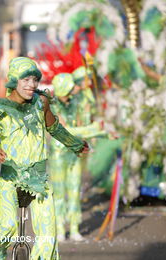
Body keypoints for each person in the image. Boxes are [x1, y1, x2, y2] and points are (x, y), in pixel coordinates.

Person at [0, 57, 89, 260]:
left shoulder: (41, 102)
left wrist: (75, 144)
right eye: (25, 80)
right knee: (8, 228)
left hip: (39, 181)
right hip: (10, 179)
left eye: (35, 80)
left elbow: (54, 128)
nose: (32, 85)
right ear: (13, 80)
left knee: (48, 239)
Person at [49, 73, 106, 242]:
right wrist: (96, 130)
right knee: (59, 193)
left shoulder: (76, 103)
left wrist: (100, 131)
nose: (72, 92)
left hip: (74, 153)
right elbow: (65, 131)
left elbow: (82, 124)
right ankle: (60, 228)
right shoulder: (52, 107)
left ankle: (74, 227)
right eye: (69, 90)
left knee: (75, 190)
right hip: (58, 154)